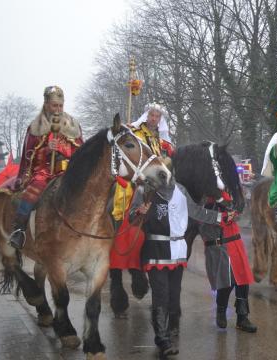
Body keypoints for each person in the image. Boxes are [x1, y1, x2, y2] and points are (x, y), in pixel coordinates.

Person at [129, 181, 232, 357]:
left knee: (173, 295)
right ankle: (162, 339)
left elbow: (196, 212)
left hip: (178, 250)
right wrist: (139, 212)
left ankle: (168, 331)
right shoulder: (144, 190)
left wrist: (220, 217)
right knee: (161, 294)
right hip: (156, 249)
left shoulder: (181, 189)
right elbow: (132, 218)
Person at [109, 103, 175, 312]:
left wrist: (168, 160)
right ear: (147, 115)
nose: (154, 118)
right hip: (137, 178)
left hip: (155, 179)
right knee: (131, 197)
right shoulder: (135, 132)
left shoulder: (162, 140)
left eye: (158, 116)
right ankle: (124, 226)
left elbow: (168, 160)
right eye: (152, 115)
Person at [9, 86, 83, 249]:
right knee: (33, 192)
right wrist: (47, 148)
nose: (57, 109)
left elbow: (80, 152)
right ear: (46, 105)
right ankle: (19, 230)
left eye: (60, 106)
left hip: (67, 171)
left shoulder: (72, 126)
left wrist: (64, 149)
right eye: (54, 105)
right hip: (43, 171)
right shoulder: (35, 127)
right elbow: (29, 156)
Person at [199, 190, 257, 333]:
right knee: (227, 281)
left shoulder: (228, 192)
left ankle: (242, 318)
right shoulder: (202, 197)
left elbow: (238, 210)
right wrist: (224, 216)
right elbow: (203, 220)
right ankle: (221, 310)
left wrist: (233, 211)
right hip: (219, 246)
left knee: (243, 281)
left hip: (235, 241)